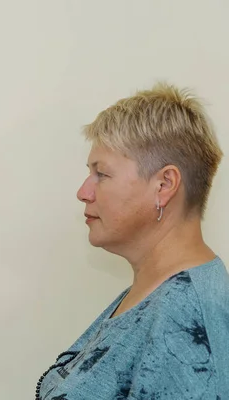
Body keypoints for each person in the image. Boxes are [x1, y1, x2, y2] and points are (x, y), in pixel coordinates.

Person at [36, 82, 229, 399]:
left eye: (102, 174)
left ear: (164, 185)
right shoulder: (155, 288)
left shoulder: (186, 316)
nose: (83, 192)